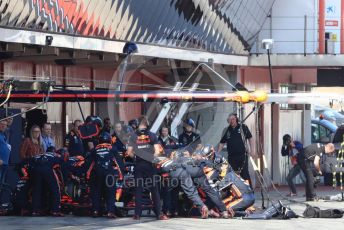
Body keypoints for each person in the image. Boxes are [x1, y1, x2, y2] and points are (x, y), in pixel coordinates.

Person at [160, 150, 231, 219]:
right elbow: (205, 162)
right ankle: (224, 211)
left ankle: (202, 207)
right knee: (210, 191)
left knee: (190, 193)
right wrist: (218, 168)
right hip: (199, 172)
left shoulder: (175, 161)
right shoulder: (190, 158)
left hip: (187, 174)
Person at [127, 116, 168, 220]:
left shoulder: (133, 136)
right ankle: (159, 214)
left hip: (139, 165)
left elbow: (129, 152)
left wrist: (136, 157)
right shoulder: (152, 135)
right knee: (154, 189)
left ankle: (137, 214)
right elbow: (158, 151)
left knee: (138, 190)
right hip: (150, 165)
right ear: (147, 124)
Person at [197, 145, 254, 213]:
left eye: (208, 156)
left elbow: (216, 193)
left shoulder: (219, 161)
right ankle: (244, 209)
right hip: (245, 194)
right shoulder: (228, 174)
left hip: (244, 197)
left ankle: (241, 212)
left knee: (221, 209)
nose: (206, 159)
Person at [90, 132, 123, 218]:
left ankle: (95, 211)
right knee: (111, 192)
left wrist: (87, 175)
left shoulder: (94, 150)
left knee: (96, 192)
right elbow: (118, 163)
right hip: (108, 173)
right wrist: (121, 175)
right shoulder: (112, 149)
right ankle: (110, 212)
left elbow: (90, 164)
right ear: (109, 140)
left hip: (97, 174)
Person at [218, 113, 256, 183]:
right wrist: (217, 153)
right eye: (230, 120)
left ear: (236, 119)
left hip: (242, 156)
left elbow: (250, 138)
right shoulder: (227, 130)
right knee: (232, 175)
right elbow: (222, 142)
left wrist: (252, 150)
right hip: (231, 157)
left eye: (233, 119)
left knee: (244, 174)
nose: (231, 121)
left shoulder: (243, 127)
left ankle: (249, 191)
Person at [30, 146, 65, 216]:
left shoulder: (39, 155)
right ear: (53, 151)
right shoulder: (54, 154)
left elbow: (31, 161)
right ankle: (55, 210)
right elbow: (62, 161)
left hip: (36, 170)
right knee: (55, 189)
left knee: (37, 190)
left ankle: (35, 211)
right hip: (47, 170)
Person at [0, 119, 10, 191]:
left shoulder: (4, 135)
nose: (3, 126)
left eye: (5, 124)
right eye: (1, 124)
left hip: (5, 163)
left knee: (1, 185)